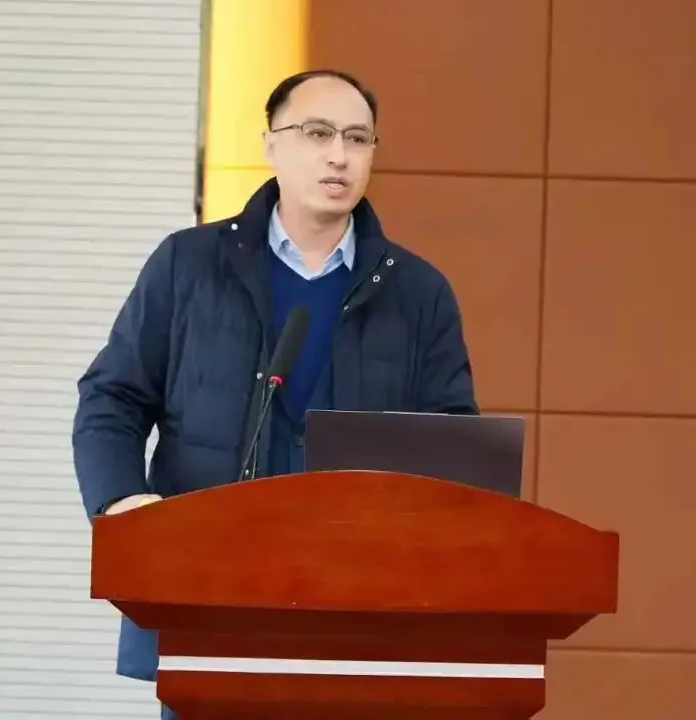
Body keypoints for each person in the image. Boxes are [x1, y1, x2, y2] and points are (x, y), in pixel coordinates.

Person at [71, 69, 478, 719]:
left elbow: (454, 451)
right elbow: (111, 398)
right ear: (270, 145)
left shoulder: (418, 293)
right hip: (207, 602)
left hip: (358, 619)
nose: (339, 155)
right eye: (317, 133)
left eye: (358, 138)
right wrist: (123, 504)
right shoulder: (188, 265)